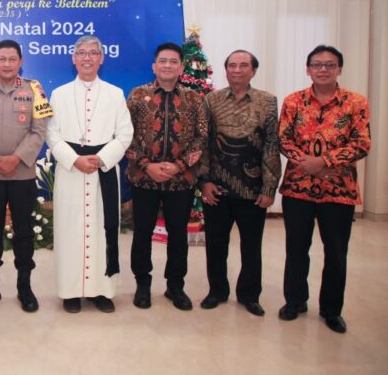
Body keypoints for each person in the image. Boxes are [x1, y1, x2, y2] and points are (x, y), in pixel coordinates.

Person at [277, 45, 370, 334]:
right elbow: (283, 138)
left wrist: (324, 161)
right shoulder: (294, 102)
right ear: (308, 69)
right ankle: (295, 301)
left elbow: (361, 143)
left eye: (329, 65)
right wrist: (308, 164)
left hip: (338, 190)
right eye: (317, 64)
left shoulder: (356, 103)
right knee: (296, 249)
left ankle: (331, 309)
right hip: (298, 189)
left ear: (339, 68)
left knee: (336, 253)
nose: (323, 69)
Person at [45, 36, 133, 313]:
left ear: (101, 58)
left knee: (102, 229)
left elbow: (125, 133)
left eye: (93, 53)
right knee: (70, 231)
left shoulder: (115, 93)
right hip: (71, 173)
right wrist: (74, 160)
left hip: (102, 171)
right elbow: (50, 132)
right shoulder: (57, 94)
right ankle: (70, 292)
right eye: (81, 53)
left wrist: (102, 158)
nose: (87, 58)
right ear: (73, 58)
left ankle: (101, 290)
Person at [198, 50, 281, 316]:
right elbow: (205, 143)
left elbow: (271, 146)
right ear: (225, 70)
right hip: (217, 188)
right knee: (216, 244)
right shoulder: (211, 100)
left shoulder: (267, 102)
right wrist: (205, 182)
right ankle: (217, 291)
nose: (237, 69)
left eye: (243, 65)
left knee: (251, 246)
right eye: (232, 65)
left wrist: (269, 188)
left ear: (253, 70)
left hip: (252, 189)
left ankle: (249, 295)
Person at [126, 42, 207, 311]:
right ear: (154, 65)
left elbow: (201, 139)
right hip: (143, 178)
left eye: (173, 61)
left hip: (180, 180)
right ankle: (143, 284)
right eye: (163, 61)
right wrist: (147, 165)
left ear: (181, 67)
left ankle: (175, 286)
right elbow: (125, 136)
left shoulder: (194, 100)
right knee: (142, 233)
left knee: (177, 235)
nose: (168, 65)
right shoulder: (138, 96)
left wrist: (179, 166)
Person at [0, 40, 49, 313]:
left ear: (20, 61)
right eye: (1, 59)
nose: (6, 63)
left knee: (24, 232)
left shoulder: (35, 90)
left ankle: (24, 288)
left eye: (12, 59)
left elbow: (40, 130)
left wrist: (16, 159)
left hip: (23, 174)